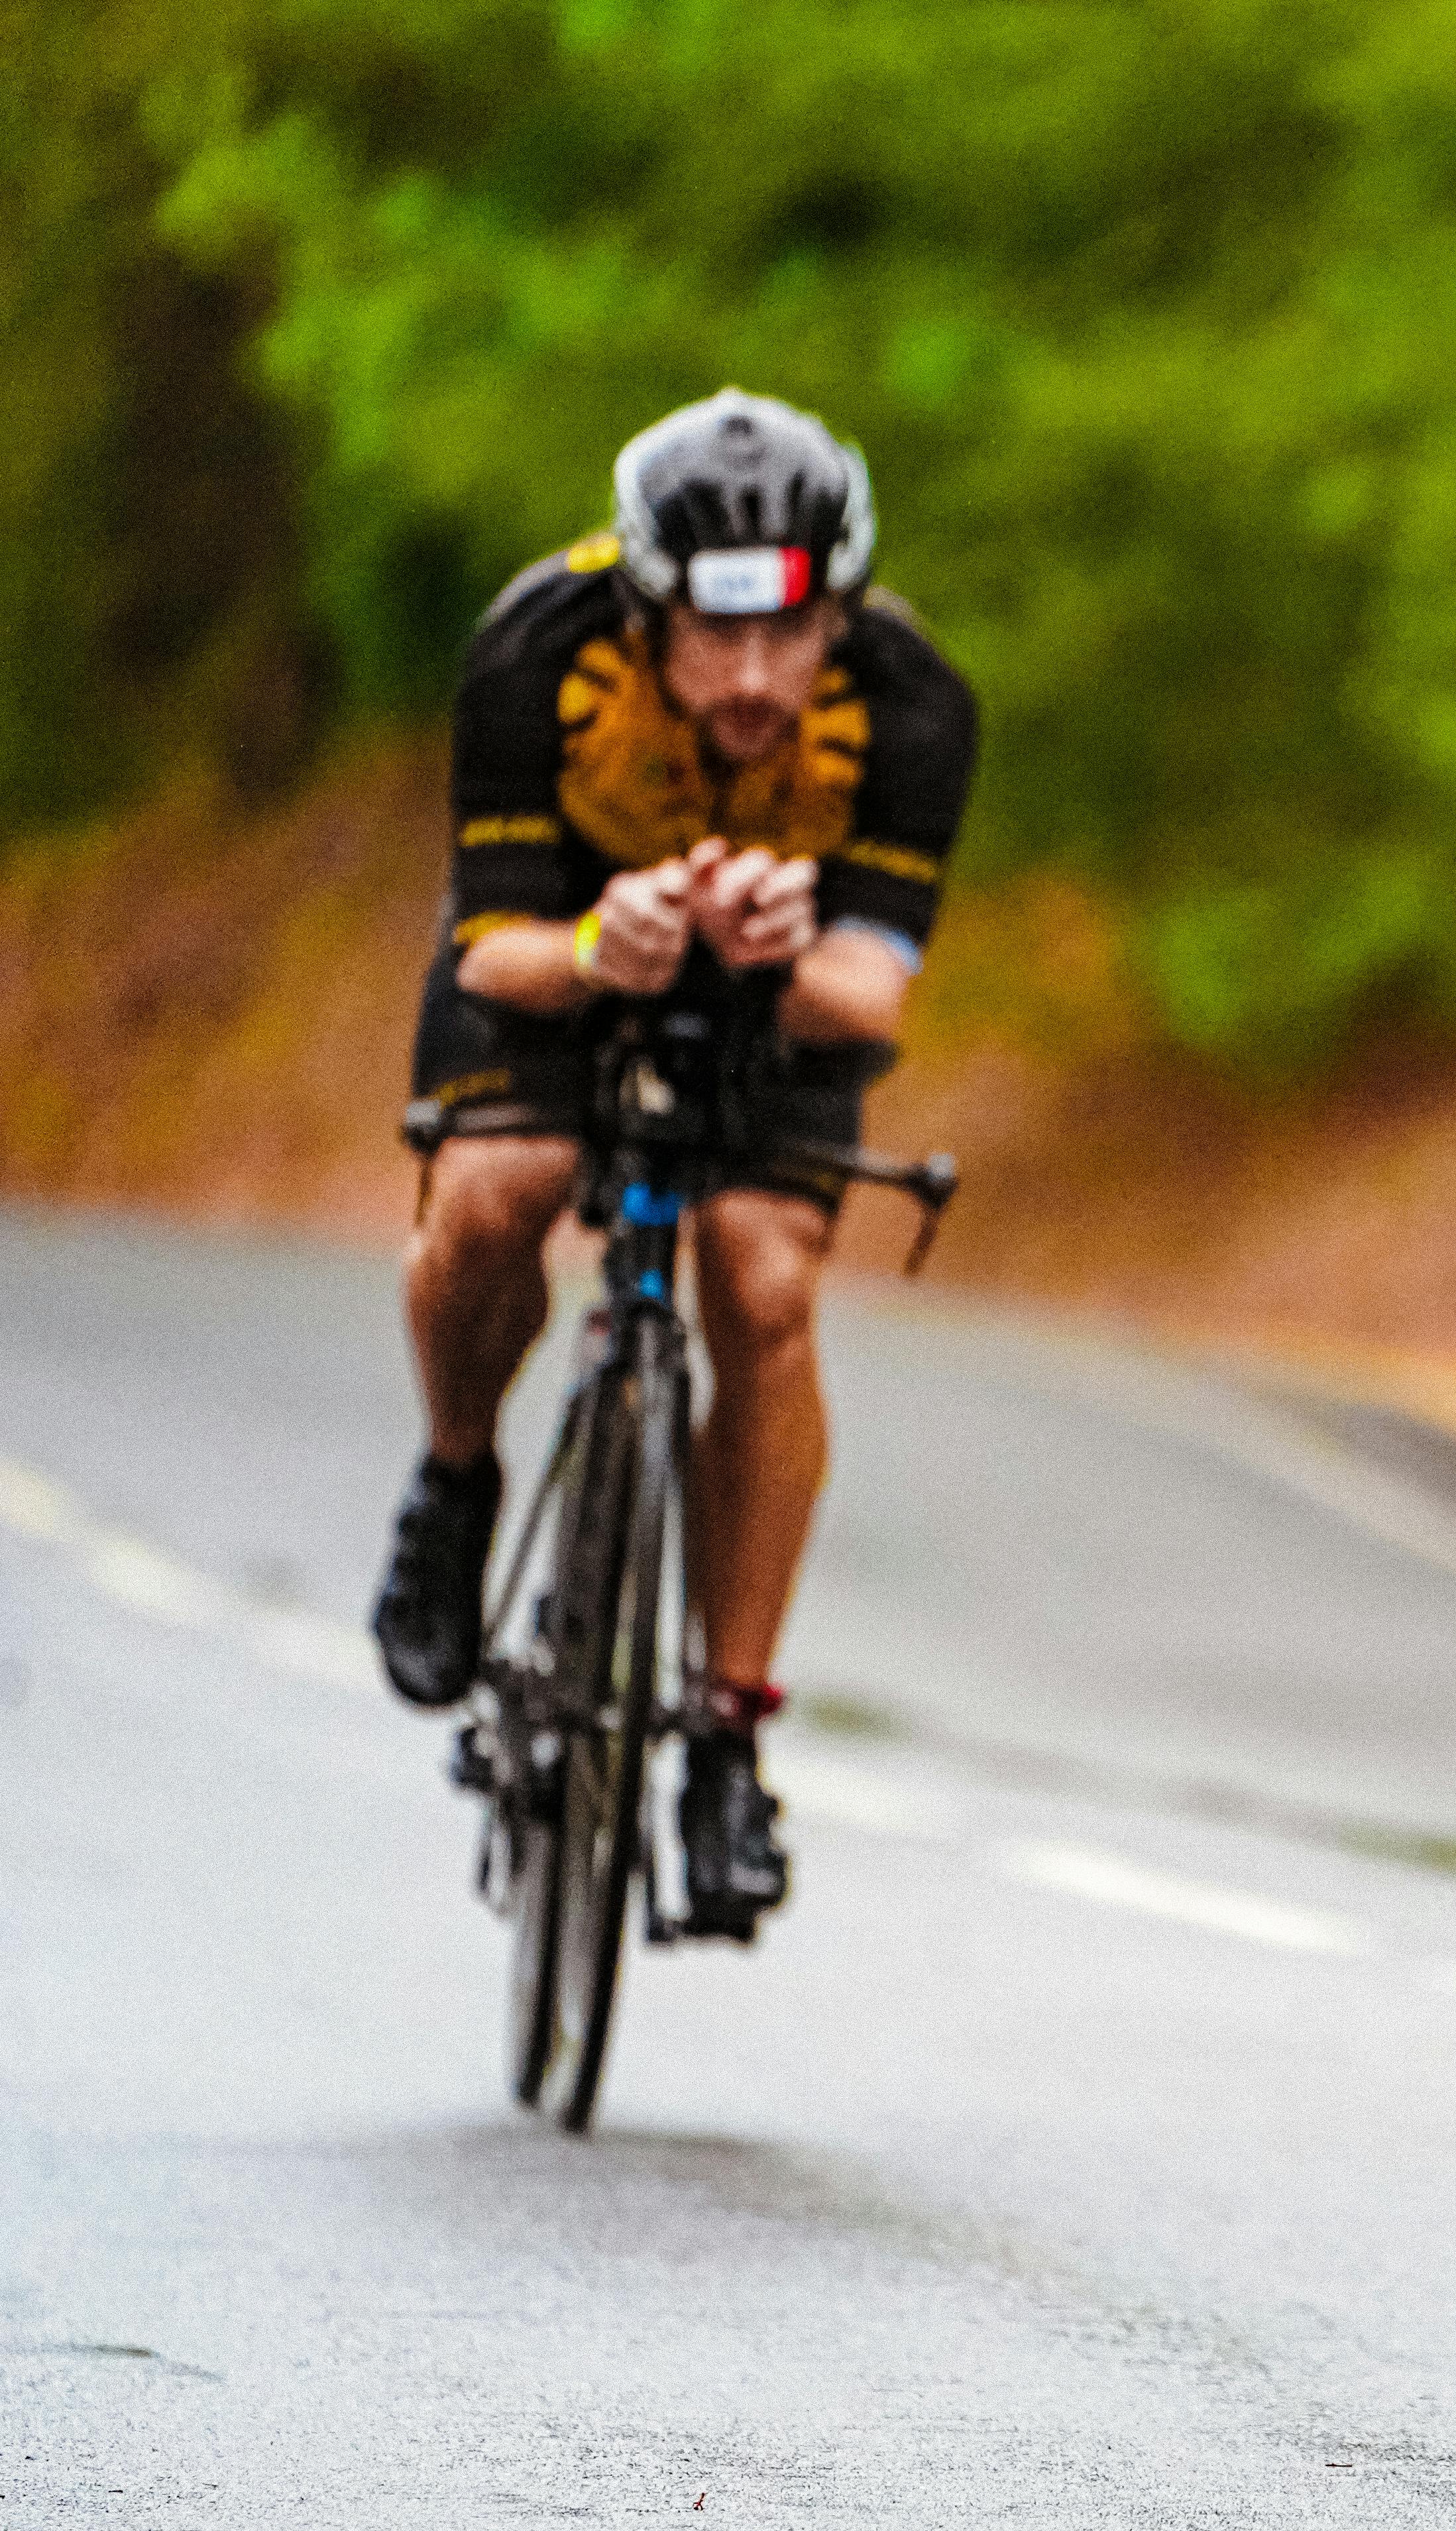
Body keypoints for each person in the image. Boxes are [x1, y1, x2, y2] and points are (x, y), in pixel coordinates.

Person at [370, 388, 976, 1940]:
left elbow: (875, 993)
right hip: (560, 949)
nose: (762, 679)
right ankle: (455, 1479)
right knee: (502, 1187)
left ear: (841, 607)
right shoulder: (534, 649)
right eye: (720, 640)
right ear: (647, 613)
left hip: (777, 978)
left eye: (798, 633)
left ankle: (724, 1733)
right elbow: (493, 947)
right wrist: (601, 940)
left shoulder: (908, 703)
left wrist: (771, 958)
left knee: (764, 1282)